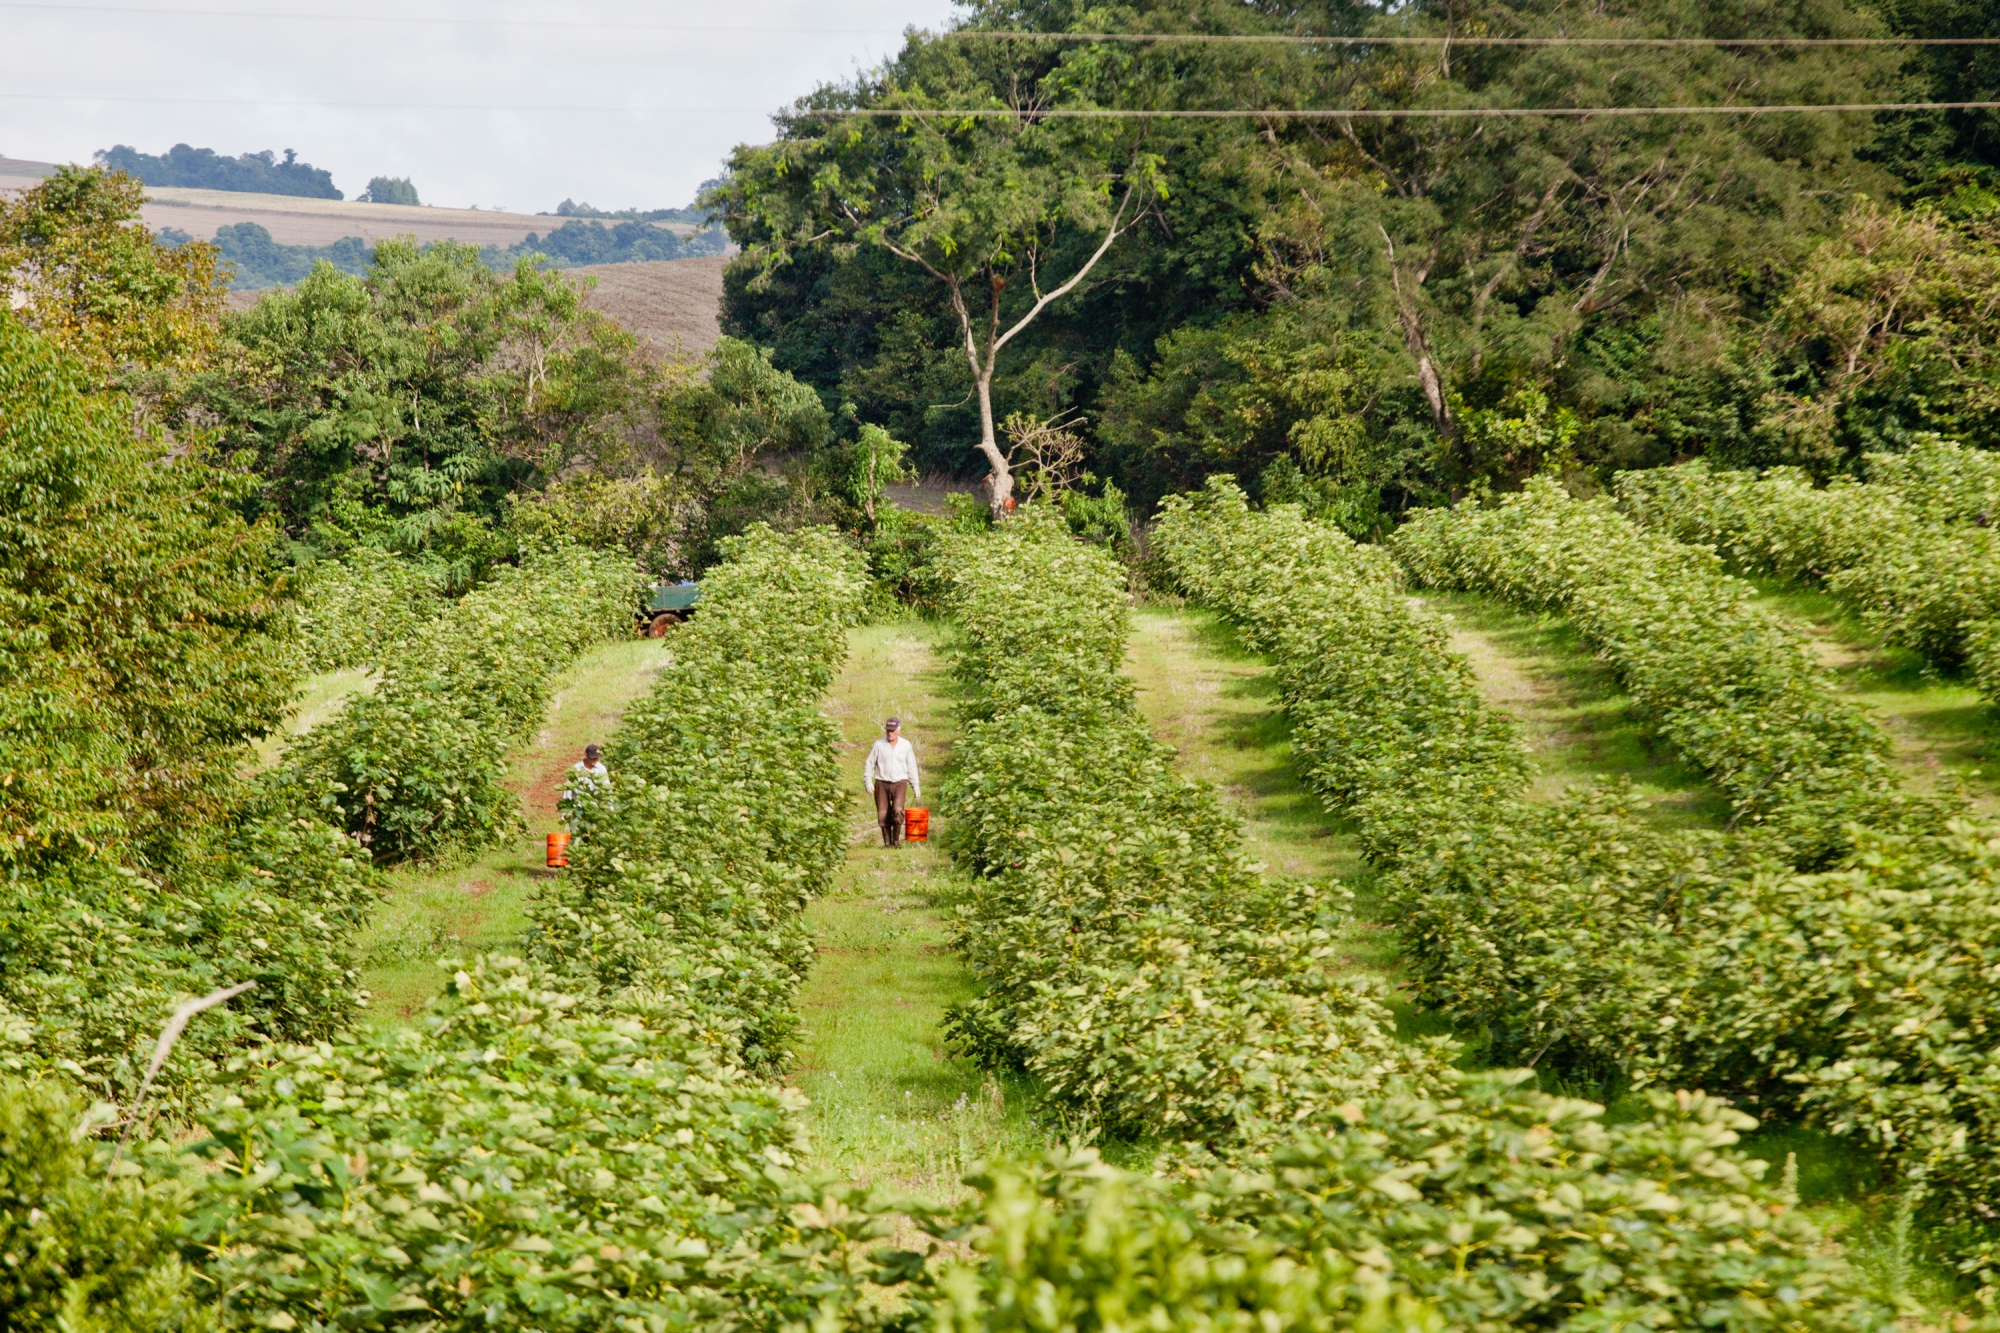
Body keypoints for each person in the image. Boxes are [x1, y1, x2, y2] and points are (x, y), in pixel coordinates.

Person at [864, 717, 920, 848]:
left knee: (897, 810)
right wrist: (868, 781)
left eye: (892, 731)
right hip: (882, 782)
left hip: (900, 782)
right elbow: (870, 763)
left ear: (899, 730)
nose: (890, 733)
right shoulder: (878, 745)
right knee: (883, 813)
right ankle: (887, 843)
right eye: (888, 731)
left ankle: (896, 841)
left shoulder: (906, 745)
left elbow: (911, 766)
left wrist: (915, 786)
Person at [559, 743, 612, 836]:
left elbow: (607, 789)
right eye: (593, 758)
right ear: (586, 755)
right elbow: (568, 791)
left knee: (594, 835)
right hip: (578, 807)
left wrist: (610, 808)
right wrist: (565, 812)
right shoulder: (576, 769)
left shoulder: (601, 769)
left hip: (594, 808)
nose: (595, 760)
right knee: (577, 835)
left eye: (597, 758)